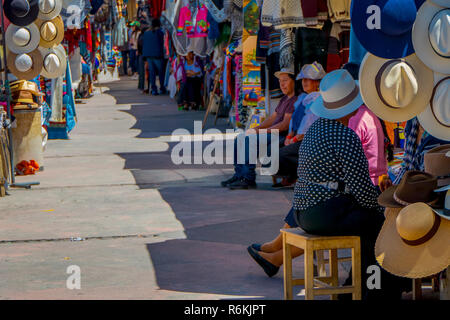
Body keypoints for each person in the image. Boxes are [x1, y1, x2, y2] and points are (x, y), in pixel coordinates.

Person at [247, 69, 407, 299]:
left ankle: (358, 288)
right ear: (351, 105)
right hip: (323, 215)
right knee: (380, 226)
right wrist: (382, 205)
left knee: (371, 224)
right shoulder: (346, 137)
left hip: (302, 211)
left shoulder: (314, 130)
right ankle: (369, 291)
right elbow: (362, 192)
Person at [221, 68, 296, 190]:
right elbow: (273, 117)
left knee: (249, 140)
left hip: (281, 135)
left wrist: (261, 131)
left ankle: (248, 178)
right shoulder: (284, 99)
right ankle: (239, 174)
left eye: (285, 80)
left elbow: (285, 125)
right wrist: (255, 128)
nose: (282, 84)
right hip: (273, 133)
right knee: (240, 137)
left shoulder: (294, 100)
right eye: (280, 81)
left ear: (293, 82)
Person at [272, 62, 325, 188]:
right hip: (296, 137)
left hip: (309, 140)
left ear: (317, 82)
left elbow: (308, 127)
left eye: (308, 80)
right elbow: (296, 121)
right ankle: (293, 175)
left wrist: (294, 139)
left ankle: (299, 174)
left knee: (278, 157)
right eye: (303, 80)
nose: (304, 82)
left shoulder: (318, 99)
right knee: (270, 152)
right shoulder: (304, 98)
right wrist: (290, 136)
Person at [379, 117, 449, 192]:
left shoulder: (443, 129)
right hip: (414, 193)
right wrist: (396, 186)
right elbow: (407, 164)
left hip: (437, 196)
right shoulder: (412, 122)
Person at [142, 18, 167, 96]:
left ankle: (154, 89)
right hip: (158, 55)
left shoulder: (146, 33)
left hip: (149, 56)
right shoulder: (160, 32)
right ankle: (162, 88)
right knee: (161, 73)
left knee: (152, 73)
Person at [137, 24, 149, 92]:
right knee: (146, 72)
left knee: (142, 72)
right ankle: (146, 87)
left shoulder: (140, 36)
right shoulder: (145, 36)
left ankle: (141, 86)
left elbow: (138, 46)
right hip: (145, 55)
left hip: (141, 55)